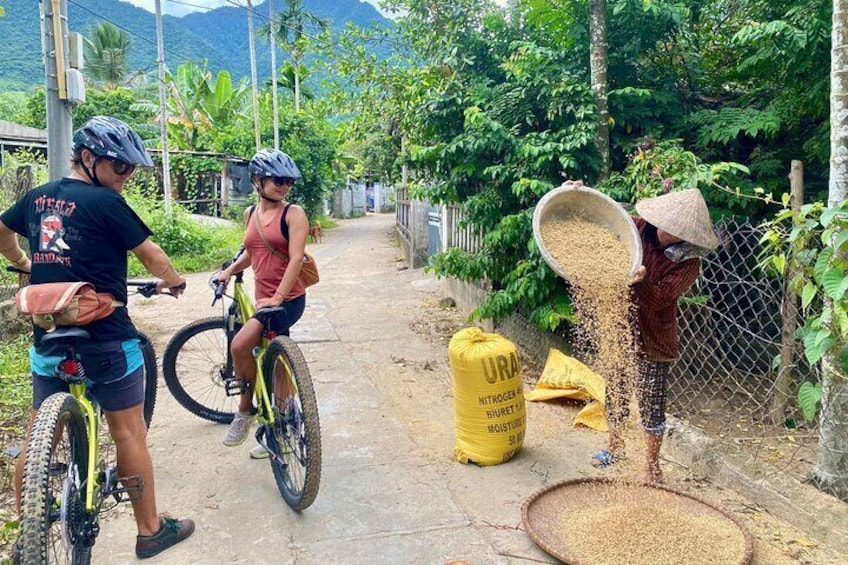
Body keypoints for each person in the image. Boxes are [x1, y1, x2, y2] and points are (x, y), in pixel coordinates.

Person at [0, 116, 195, 560]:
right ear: (89, 159)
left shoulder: (35, 197)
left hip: (49, 337)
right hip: (106, 337)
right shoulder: (107, 203)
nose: (125, 178)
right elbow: (152, 255)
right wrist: (173, 280)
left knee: (35, 439)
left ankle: (28, 528)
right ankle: (150, 530)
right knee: (128, 432)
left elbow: (1, 231)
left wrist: (25, 261)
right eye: (121, 168)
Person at [590, 188, 719, 483]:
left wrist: (643, 281)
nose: (668, 233)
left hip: (654, 335)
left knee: (652, 401)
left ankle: (651, 464)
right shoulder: (636, 227)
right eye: (667, 225)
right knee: (617, 391)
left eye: (677, 232)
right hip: (620, 323)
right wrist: (578, 191)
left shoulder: (688, 262)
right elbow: (601, 217)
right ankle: (614, 446)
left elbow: (662, 298)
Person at [215, 149, 309, 458]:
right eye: (278, 180)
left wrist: (279, 296)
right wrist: (228, 271)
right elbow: (250, 252)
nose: (284, 186)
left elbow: (296, 258)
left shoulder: (293, 214)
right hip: (263, 299)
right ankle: (283, 425)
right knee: (275, 361)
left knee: (241, 345)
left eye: (289, 182)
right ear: (257, 180)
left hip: (288, 299)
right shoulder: (250, 215)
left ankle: (245, 410)